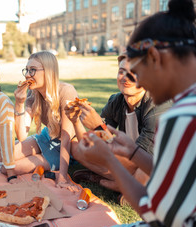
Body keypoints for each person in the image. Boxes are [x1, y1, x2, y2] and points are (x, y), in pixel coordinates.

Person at [76, 0, 196, 227]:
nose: (134, 80)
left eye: (136, 71)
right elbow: (174, 175)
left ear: (153, 57)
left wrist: (110, 160)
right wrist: (132, 152)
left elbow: (161, 220)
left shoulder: (180, 118)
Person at [68, 53, 171, 192]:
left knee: (143, 172)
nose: (125, 78)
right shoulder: (116, 101)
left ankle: (105, 181)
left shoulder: (159, 106)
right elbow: (89, 144)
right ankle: (123, 185)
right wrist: (76, 121)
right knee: (75, 147)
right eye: (121, 72)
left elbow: (139, 161)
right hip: (127, 160)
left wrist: (98, 127)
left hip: (155, 164)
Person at [0, 51, 84, 187]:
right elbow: (21, 135)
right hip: (46, 135)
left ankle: (45, 160)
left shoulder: (66, 92)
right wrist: (20, 102)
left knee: (6, 168)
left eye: (32, 70)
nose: (27, 75)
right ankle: (34, 153)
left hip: (64, 145)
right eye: (26, 70)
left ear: (48, 71)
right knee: (1, 156)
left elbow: (66, 138)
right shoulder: (33, 94)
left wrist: (62, 177)